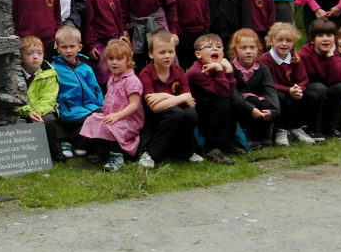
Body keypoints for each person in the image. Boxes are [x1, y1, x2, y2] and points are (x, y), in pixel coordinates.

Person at [138, 30, 204, 165]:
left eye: (171, 52)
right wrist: (179, 97)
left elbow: (190, 101)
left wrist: (164, 97)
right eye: (162, 52)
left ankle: (186, 151)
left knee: (190, 113)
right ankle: (151, 154)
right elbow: (155, 108)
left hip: (173, 113)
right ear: (151, 54)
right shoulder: (146, 74)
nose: (167, 56)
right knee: (176, 112)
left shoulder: (179, 72)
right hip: (152, 119)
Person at [79, 39, 145, 172]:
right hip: (112, 116)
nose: (114, 62)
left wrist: (117, 116)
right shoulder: (112, 78)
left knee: (112, 126)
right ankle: (102, 151)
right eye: (110, 58)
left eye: (119, 58)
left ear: (127, 60)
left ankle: (118, 156)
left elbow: (134, 105)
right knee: (93, 120)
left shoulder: (132, 81)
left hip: (128, 119)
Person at [259, 22, 322, 145]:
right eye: (280, 40)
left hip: (292, 91)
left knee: (311, 96)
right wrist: (288, 90)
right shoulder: (265, 59)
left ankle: (296, 128)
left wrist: (298, 88)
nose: (284, 44)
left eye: (288, 41)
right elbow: (269, 83)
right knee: (279, 97)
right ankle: (280, 130)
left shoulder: (295, 58)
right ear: (271, 41)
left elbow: (303, 78)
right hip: (275, 92)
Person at [186, 33, 240, 164]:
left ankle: (227, 142)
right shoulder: (196, 72)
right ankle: (212, 147)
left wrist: (228, 70)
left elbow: (230, 91)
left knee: (234, 101)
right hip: (198, 108)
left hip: (213, 101)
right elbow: (222, 93)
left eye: (219, 47)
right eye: (209, 46)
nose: (215, 49)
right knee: (222, 103)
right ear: (198, 54)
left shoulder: (217, 66)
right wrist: (222, 69)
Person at [52, 26, 104, 158]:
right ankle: (71, 141)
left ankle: (75, 142)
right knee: (92, 121)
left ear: (79, 47)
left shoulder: (86, 68)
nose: (68, 50)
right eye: (64, 47)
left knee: (104, 118)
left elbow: (96, 89)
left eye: (72, 46)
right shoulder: (54, 69)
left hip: (90, 107)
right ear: (56, 48)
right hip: (69, 110)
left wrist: (102, 107)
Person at [297, 18, 341, 140]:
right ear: (312, 39)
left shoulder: (334, 54)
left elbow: (339, 78)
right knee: (319, 88)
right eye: (320, 35)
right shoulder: (303, 55)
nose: (326, 39)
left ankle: (331, 127)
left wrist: (330, 56)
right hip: (307, 93)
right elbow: (299, 79)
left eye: (329, 35)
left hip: (325, 91)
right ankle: (312, 129)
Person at [16, 36, 65, 163]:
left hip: (43, 110)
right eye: (29, 54)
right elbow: (14, 98)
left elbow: (48, 98)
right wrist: (27, 112)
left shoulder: (49, 73)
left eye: (39, 53)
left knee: (48, 120)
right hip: (23, 109)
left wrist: (37, 113)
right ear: (21, 57)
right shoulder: (14, 74)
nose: (35, 57)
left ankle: (56, 151)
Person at [228, 29, 280, 148]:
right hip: (241, 106)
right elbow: (233, 94)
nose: (248, 52)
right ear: (235, 49)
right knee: (250, 100)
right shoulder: (231, 69)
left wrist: (274, 111)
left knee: (267, 103)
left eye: (252, 48)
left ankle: (265, 132)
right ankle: (246, 134)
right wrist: (251, 109)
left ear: (258, 50)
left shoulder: (262, 69)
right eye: (243, 48)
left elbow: (270, 91)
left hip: (259, 105)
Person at [82, 0, 123, 91]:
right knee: (102, 73)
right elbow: (87, 23)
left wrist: (122, 33)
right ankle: (104, 98)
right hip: (98, 42)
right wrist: (89, 45)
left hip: (114, 40)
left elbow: (118, 17)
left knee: (116, 69)